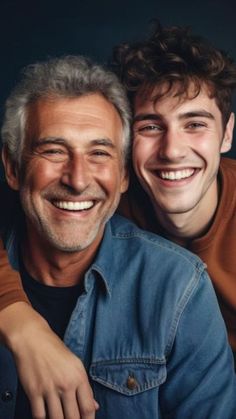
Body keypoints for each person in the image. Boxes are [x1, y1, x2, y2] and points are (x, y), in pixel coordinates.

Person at [0, 54, 235, 419]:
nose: (77, 180)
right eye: (53, 150)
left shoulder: (180, 286)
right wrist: (17, 319)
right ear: (12, 168)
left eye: (99, 153)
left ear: (121, 176)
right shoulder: (130, 195)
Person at [113, 23, 236, 366]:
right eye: (151, 127)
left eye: (195, 124)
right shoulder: (104, 199)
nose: (172, 151)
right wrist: (20, 322)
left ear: (226, 135)